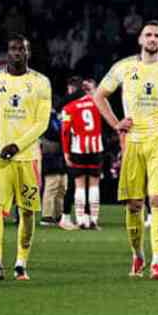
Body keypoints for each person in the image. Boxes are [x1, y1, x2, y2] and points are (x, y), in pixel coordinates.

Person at [90, 20, 158, 280]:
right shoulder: (124, 67)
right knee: (134, 204)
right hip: (132, 141)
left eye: (157, 36)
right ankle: (138, 255)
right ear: (140, 39)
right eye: (149, 35)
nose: (153, 39)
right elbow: (99, 96)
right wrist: (116, 123)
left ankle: (157, 262)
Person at [0, 35, 52, 282]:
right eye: (13, 49)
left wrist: (17, 145)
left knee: (27, 212)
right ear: (7, 53)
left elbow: (42, 123)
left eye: (22, 49)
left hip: (29, 158)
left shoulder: (41, 82)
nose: (17, 53)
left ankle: (21, 263)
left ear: (29, 53)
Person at [61, 76, 104, 229]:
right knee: (94, 185)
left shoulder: (69, 107)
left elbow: (65, 132)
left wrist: (66, 152)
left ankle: (80, 221)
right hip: (96, 148)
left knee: (79, 185)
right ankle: (93, 220)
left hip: (78, 149)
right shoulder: (99, 104)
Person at [40, 107, 74, 231]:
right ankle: (47, 215)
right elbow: (53, 134)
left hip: (61, 155)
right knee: (52, 185)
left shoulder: (57, 117)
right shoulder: (46, 118)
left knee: (62, 186)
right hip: (51, 155)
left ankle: (58, 214)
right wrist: (64, 132)